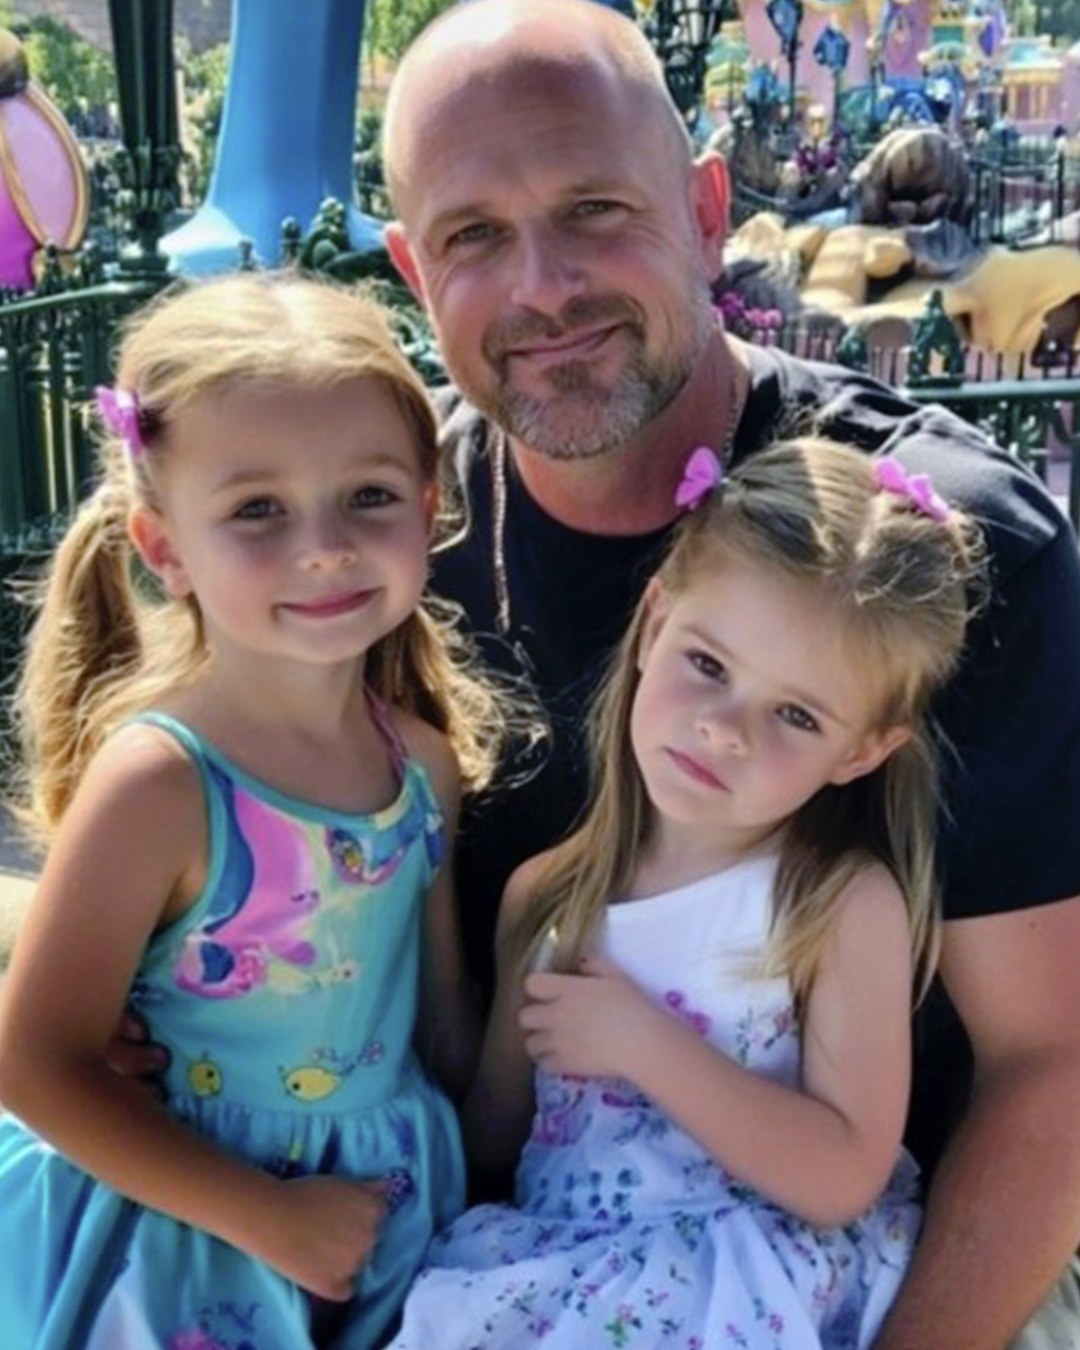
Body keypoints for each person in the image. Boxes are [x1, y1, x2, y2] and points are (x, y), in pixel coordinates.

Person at [376, 3, 1080, 1347]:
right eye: (472, 235)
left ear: (707, 213)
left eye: (594, 208)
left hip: (902, 1284)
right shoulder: (379, 554)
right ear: (415, 272)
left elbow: (1053, 1066)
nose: (543, 286)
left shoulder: (933, 555)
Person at [386, 437, 987, 1348]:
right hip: (561, 1276)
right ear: (655, 622)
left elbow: (842, 1175)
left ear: (863, 751)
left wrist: (644, 1045)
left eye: (796, 715)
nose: (725, 729)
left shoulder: (832, 903)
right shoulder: (547, 897)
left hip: (742, 1288)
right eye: (708, 665)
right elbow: (493, 1139)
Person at [0, 274, 504, 1350]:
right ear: (164, 548)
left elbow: (441, 1021)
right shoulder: (161, 782)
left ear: (428, 509)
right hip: (178, 1236)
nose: (324, 546)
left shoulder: (423, 765)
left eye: (369, 495)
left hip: (386, 1215)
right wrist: (268, 1218)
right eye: (257, 510)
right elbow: (34, 1060)